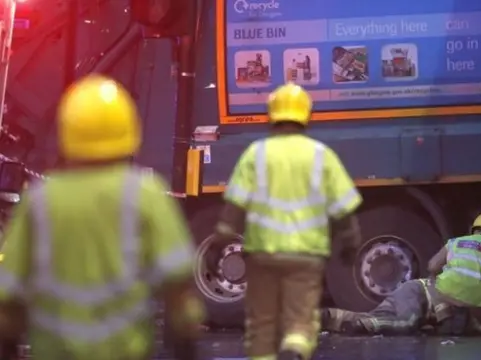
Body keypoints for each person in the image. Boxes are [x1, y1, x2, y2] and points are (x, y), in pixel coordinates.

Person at [0, 75, 204, 360]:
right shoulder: (146, 194)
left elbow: (10, 289)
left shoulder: (41, 200)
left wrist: (8, 342)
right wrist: (186, 341)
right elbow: (177, 283)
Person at [213, 82, 362, 360]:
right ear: (307, 114)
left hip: (262, 254)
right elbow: (343, 209)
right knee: (300, 323)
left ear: (271, 114)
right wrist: (350, 243)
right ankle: (294, 349)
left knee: (262, 325)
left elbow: (234, 206)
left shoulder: (256, 154)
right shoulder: (321, 155)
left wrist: (218, 243)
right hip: (306, 255)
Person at [321, 263, 481, 335]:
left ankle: (327, 317)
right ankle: (364, 325)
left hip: (413, 295)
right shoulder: (472, 293)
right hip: (418, 293)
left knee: (383, 318)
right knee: (407, 323)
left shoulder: (479, 304)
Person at [427, 211, 481, 335]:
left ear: (473, 228)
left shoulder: (454, 242)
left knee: (431, 279)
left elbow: (432, 267)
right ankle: (476, 323)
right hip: (476, 307)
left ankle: (444, 314)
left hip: (449, 299)